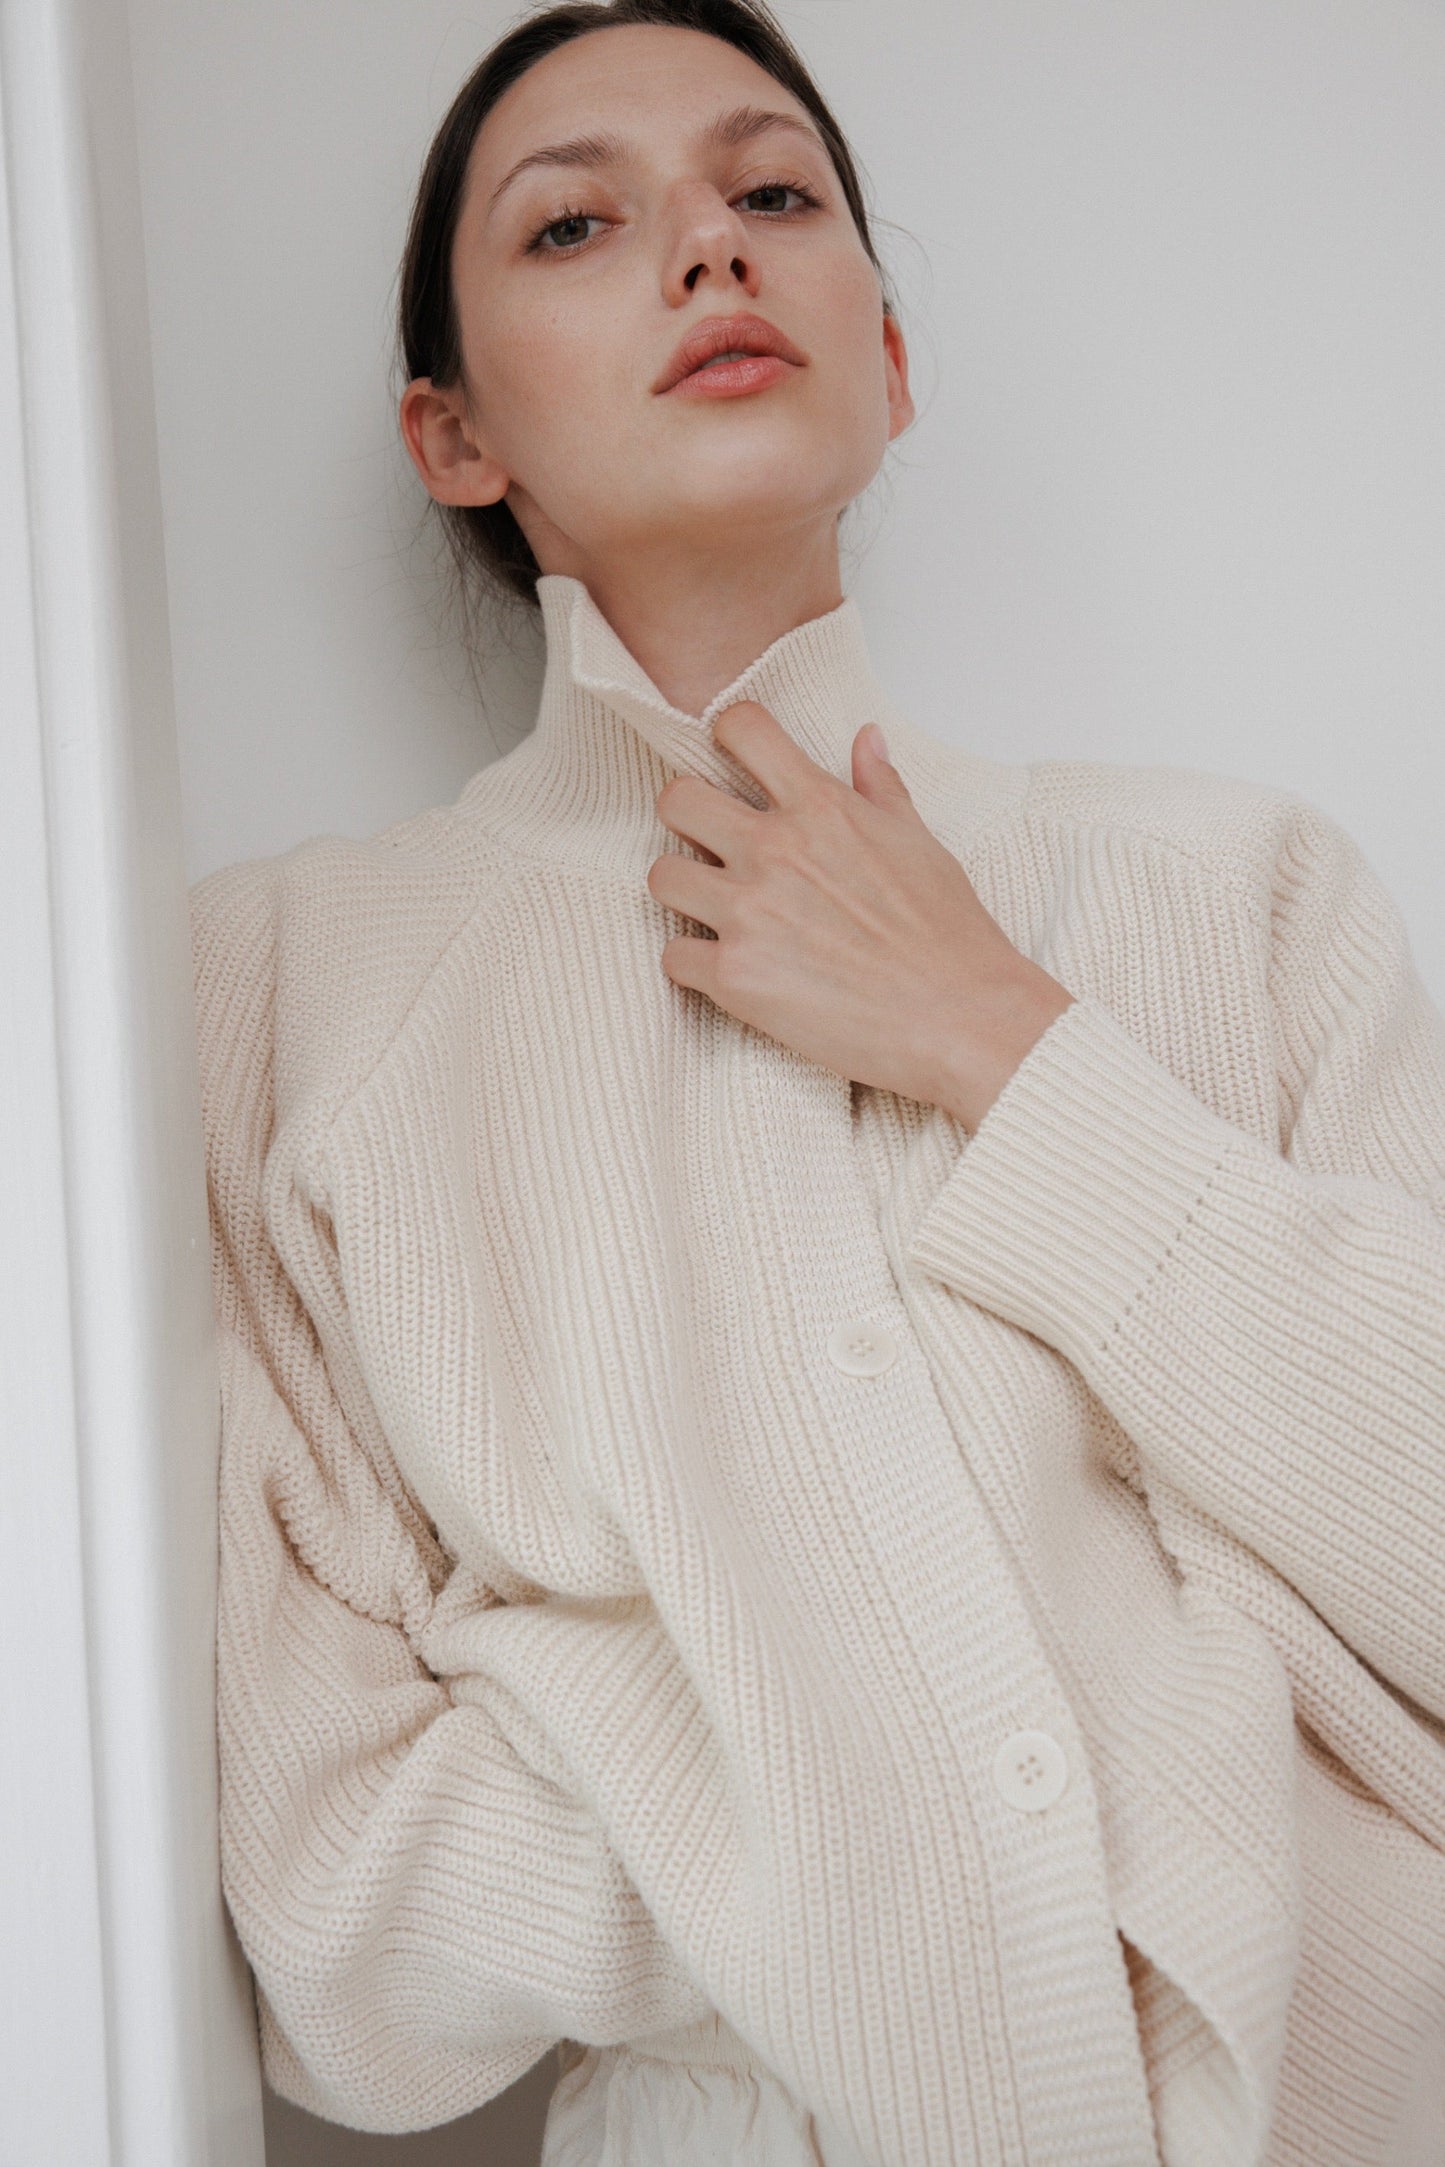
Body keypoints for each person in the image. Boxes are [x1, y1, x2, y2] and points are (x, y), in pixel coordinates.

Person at [189, 2, 1445, 2161]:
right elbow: (337, 1914)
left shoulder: (1236, 890)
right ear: (450, 432)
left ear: (893, 358)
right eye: (578, 223)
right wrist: (950, 1831)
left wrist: (1004, 1044)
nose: (710, 251)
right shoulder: (288, 987)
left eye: (775, 195)